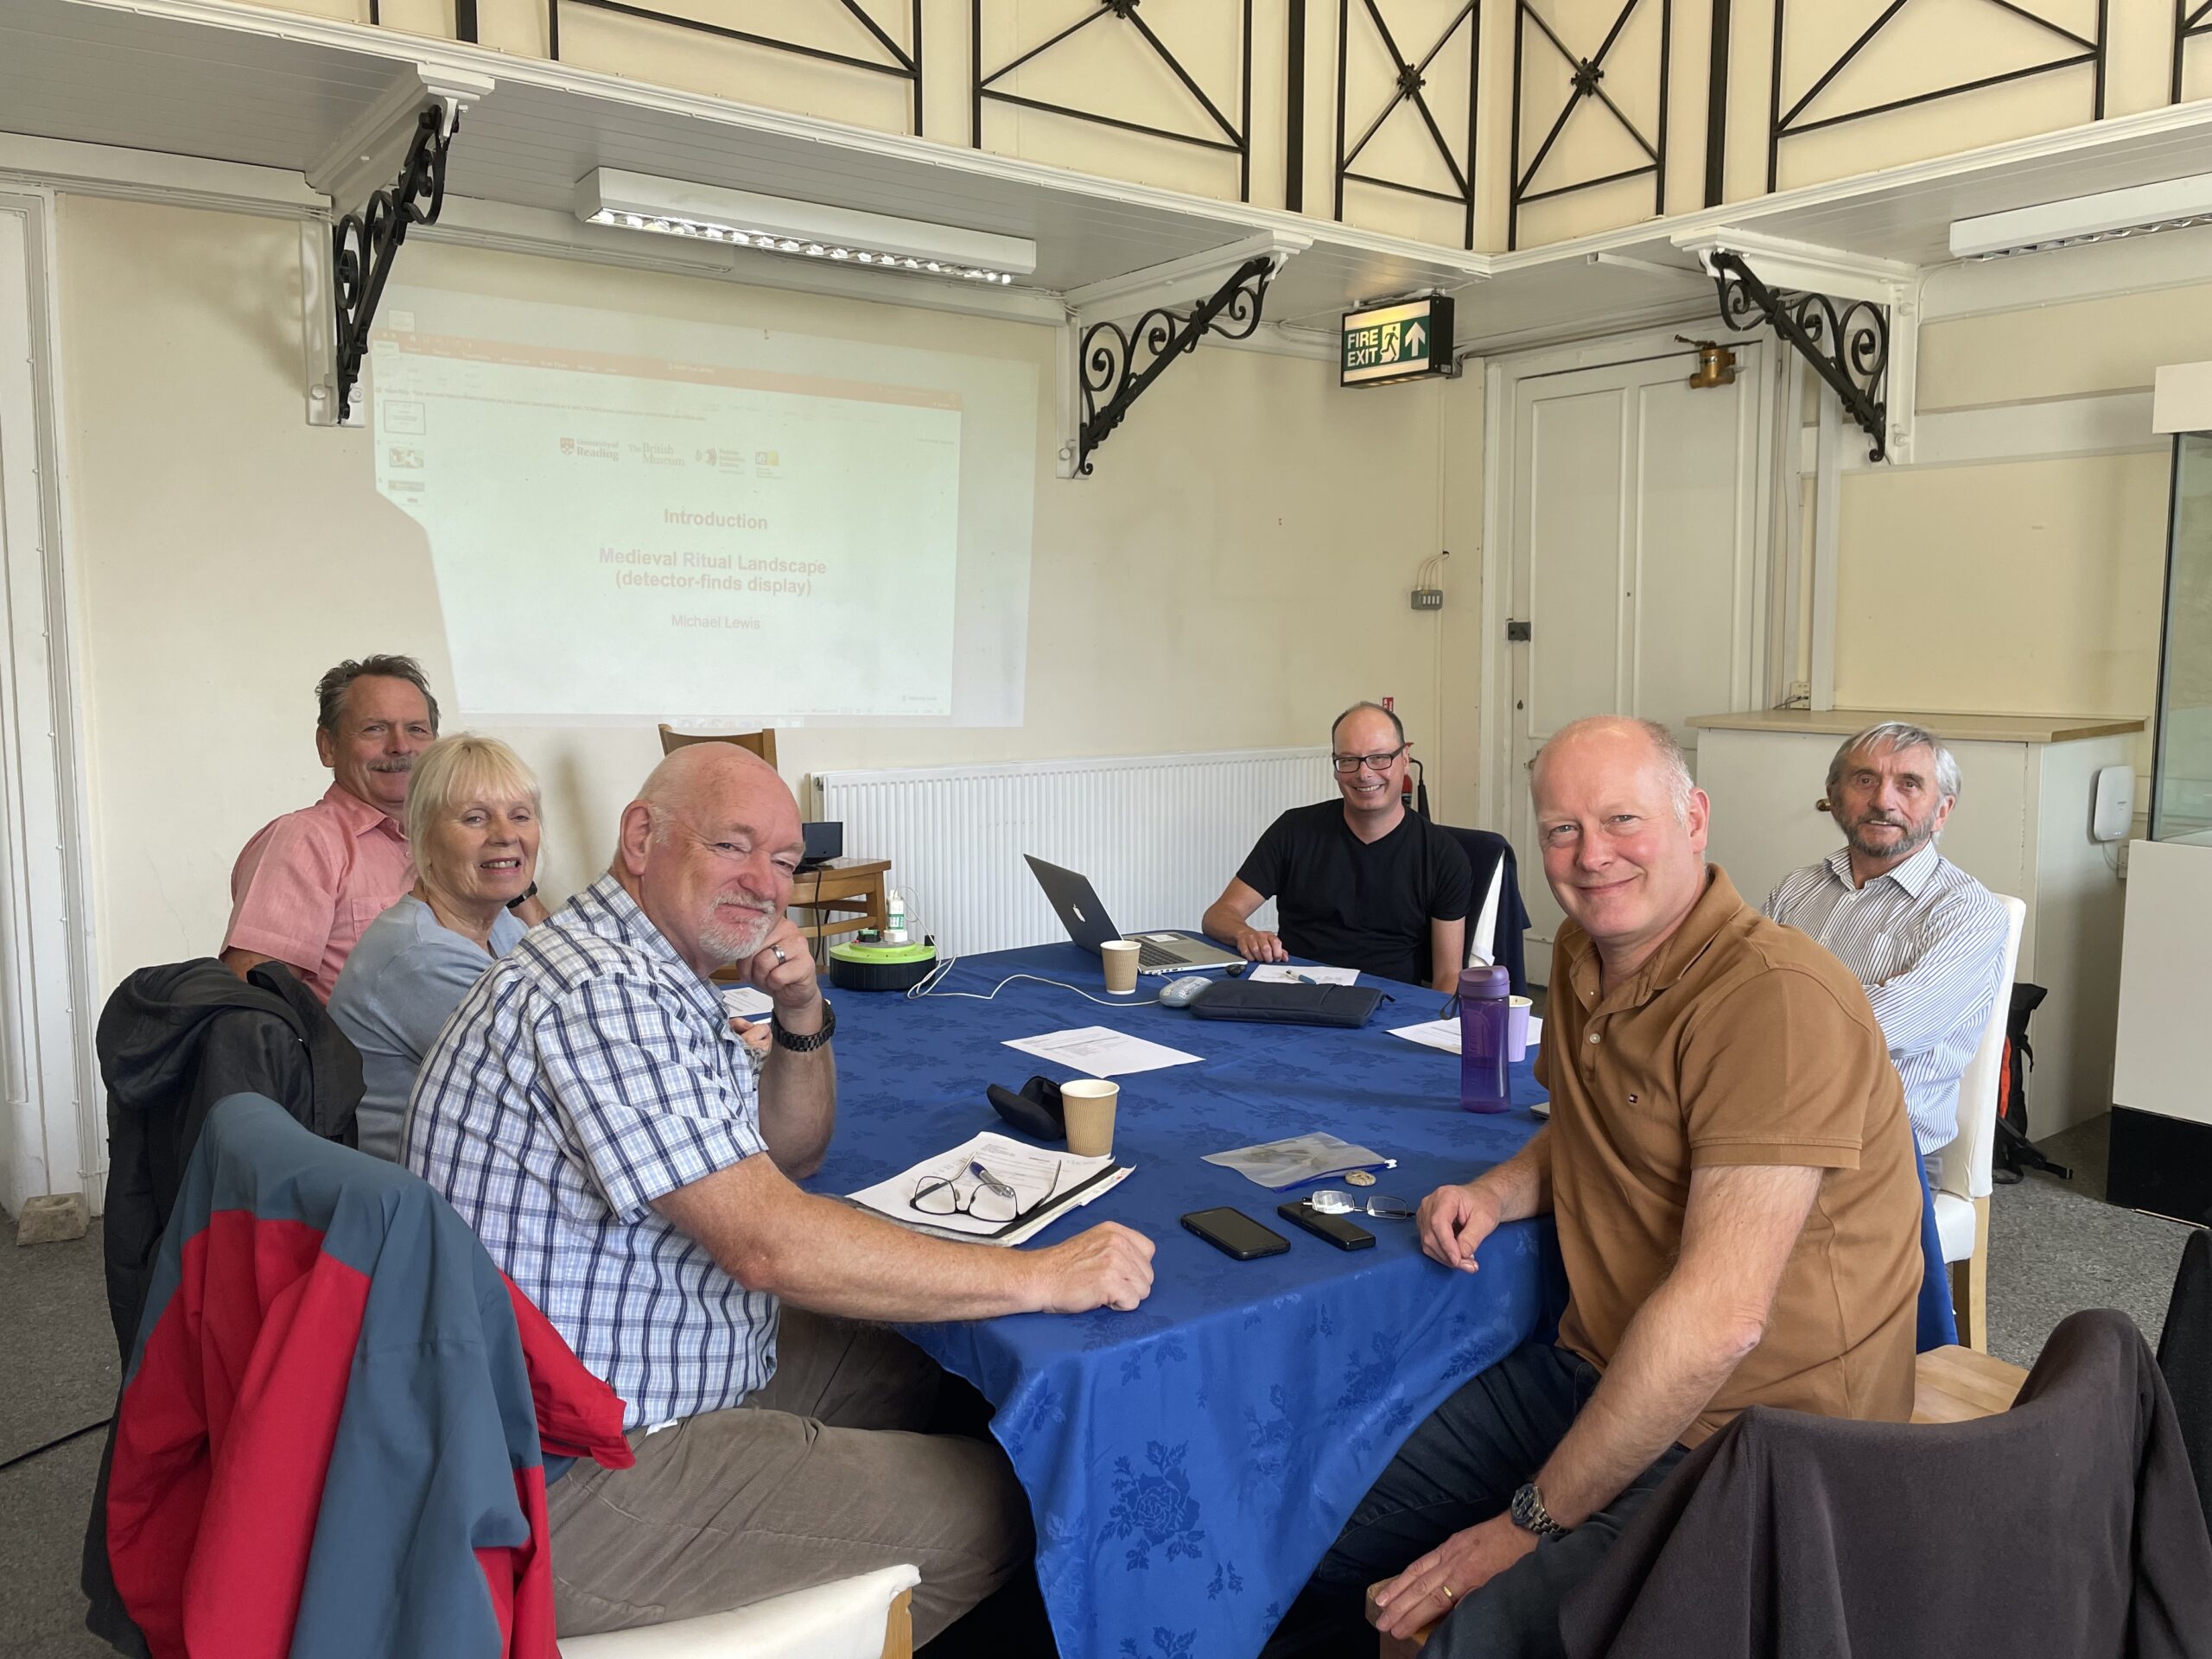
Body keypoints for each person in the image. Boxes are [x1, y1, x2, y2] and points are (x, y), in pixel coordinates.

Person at [407, 741, 1155, 1646]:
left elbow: (787, 1155)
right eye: (732, 846)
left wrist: (802, 1011)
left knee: (945, 1368)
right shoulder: (602, 989)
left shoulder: (631, 962)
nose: (765, 884)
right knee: (1017, 1500)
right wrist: (1039, 1275)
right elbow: (767, 1243)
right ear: (640, 838)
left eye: (785, 861)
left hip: (614, 1378)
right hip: (569, 1476)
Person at [1285, 716, 1923, 1659]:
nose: (1590, 858)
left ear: (1694, 818)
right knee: (1299, 1534)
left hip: (1758, 1436)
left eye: (1622, 821)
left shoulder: (1774, 1002)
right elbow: (1585, 1130)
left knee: (1475, 1632)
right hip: (1597, 1367)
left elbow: (1718, 1324)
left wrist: (1517, 1529)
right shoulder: (1587, 955)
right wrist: (1500, 1192)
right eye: (1560, 830)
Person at [1764, 721, 2011, 1158]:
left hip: (1881, 1149)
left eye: (1909, 784)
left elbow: (1887, 1026)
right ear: (1834, 796)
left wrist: (1770, 1016)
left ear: (1942, 811)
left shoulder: (1968, 912)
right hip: (1770, 1117)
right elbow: (1739, 989)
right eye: (1864, 780)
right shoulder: (1796, 890)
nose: (1883, 801)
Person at [329, 734, 543, 1161]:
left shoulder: (500, 926)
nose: (505, 835)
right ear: (423, 834)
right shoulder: (419, 955)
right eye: (475, 819)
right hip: (426, 1203)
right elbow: (558, 1081)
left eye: (521, 816)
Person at [1204, 702, 1473, 991]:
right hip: (1296, 993)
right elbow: (1218, 915)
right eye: (1348, 760)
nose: (1364, 773)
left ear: (1405, 758)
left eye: (1380, 758)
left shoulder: (1443, 856)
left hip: (1387, 1007)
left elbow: (1448, 977)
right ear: (1335, 766)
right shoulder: (1294, 830)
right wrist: (1244, 932)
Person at [219, 655, 440, 1001]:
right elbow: (253, 1006)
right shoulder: (305, 841)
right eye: (375, 729)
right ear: (328, 747)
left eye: (416, 729)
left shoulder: (452, 843)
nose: (401, 745)